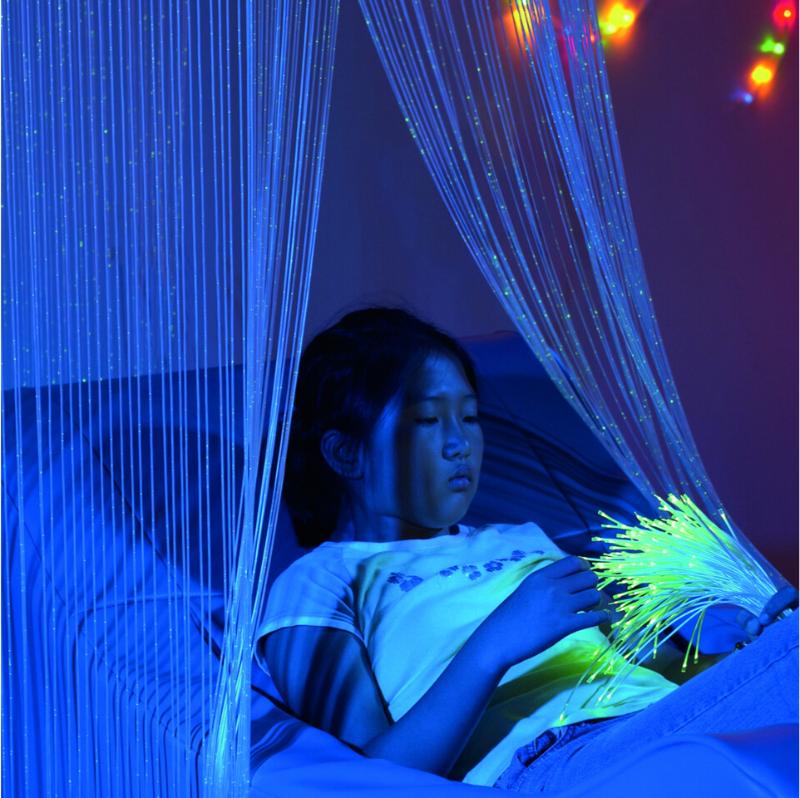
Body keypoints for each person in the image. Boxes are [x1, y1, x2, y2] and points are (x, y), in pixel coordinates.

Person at [256, 306, 798, 791]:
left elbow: (662, 670)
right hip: (557, 760)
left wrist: (745, 652)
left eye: (470, 417)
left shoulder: (521, 539)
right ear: (346, 454)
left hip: (661, 720)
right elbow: (370, 780)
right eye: (427, 420)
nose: (459, 444)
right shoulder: (321, 579)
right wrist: (495, 645)